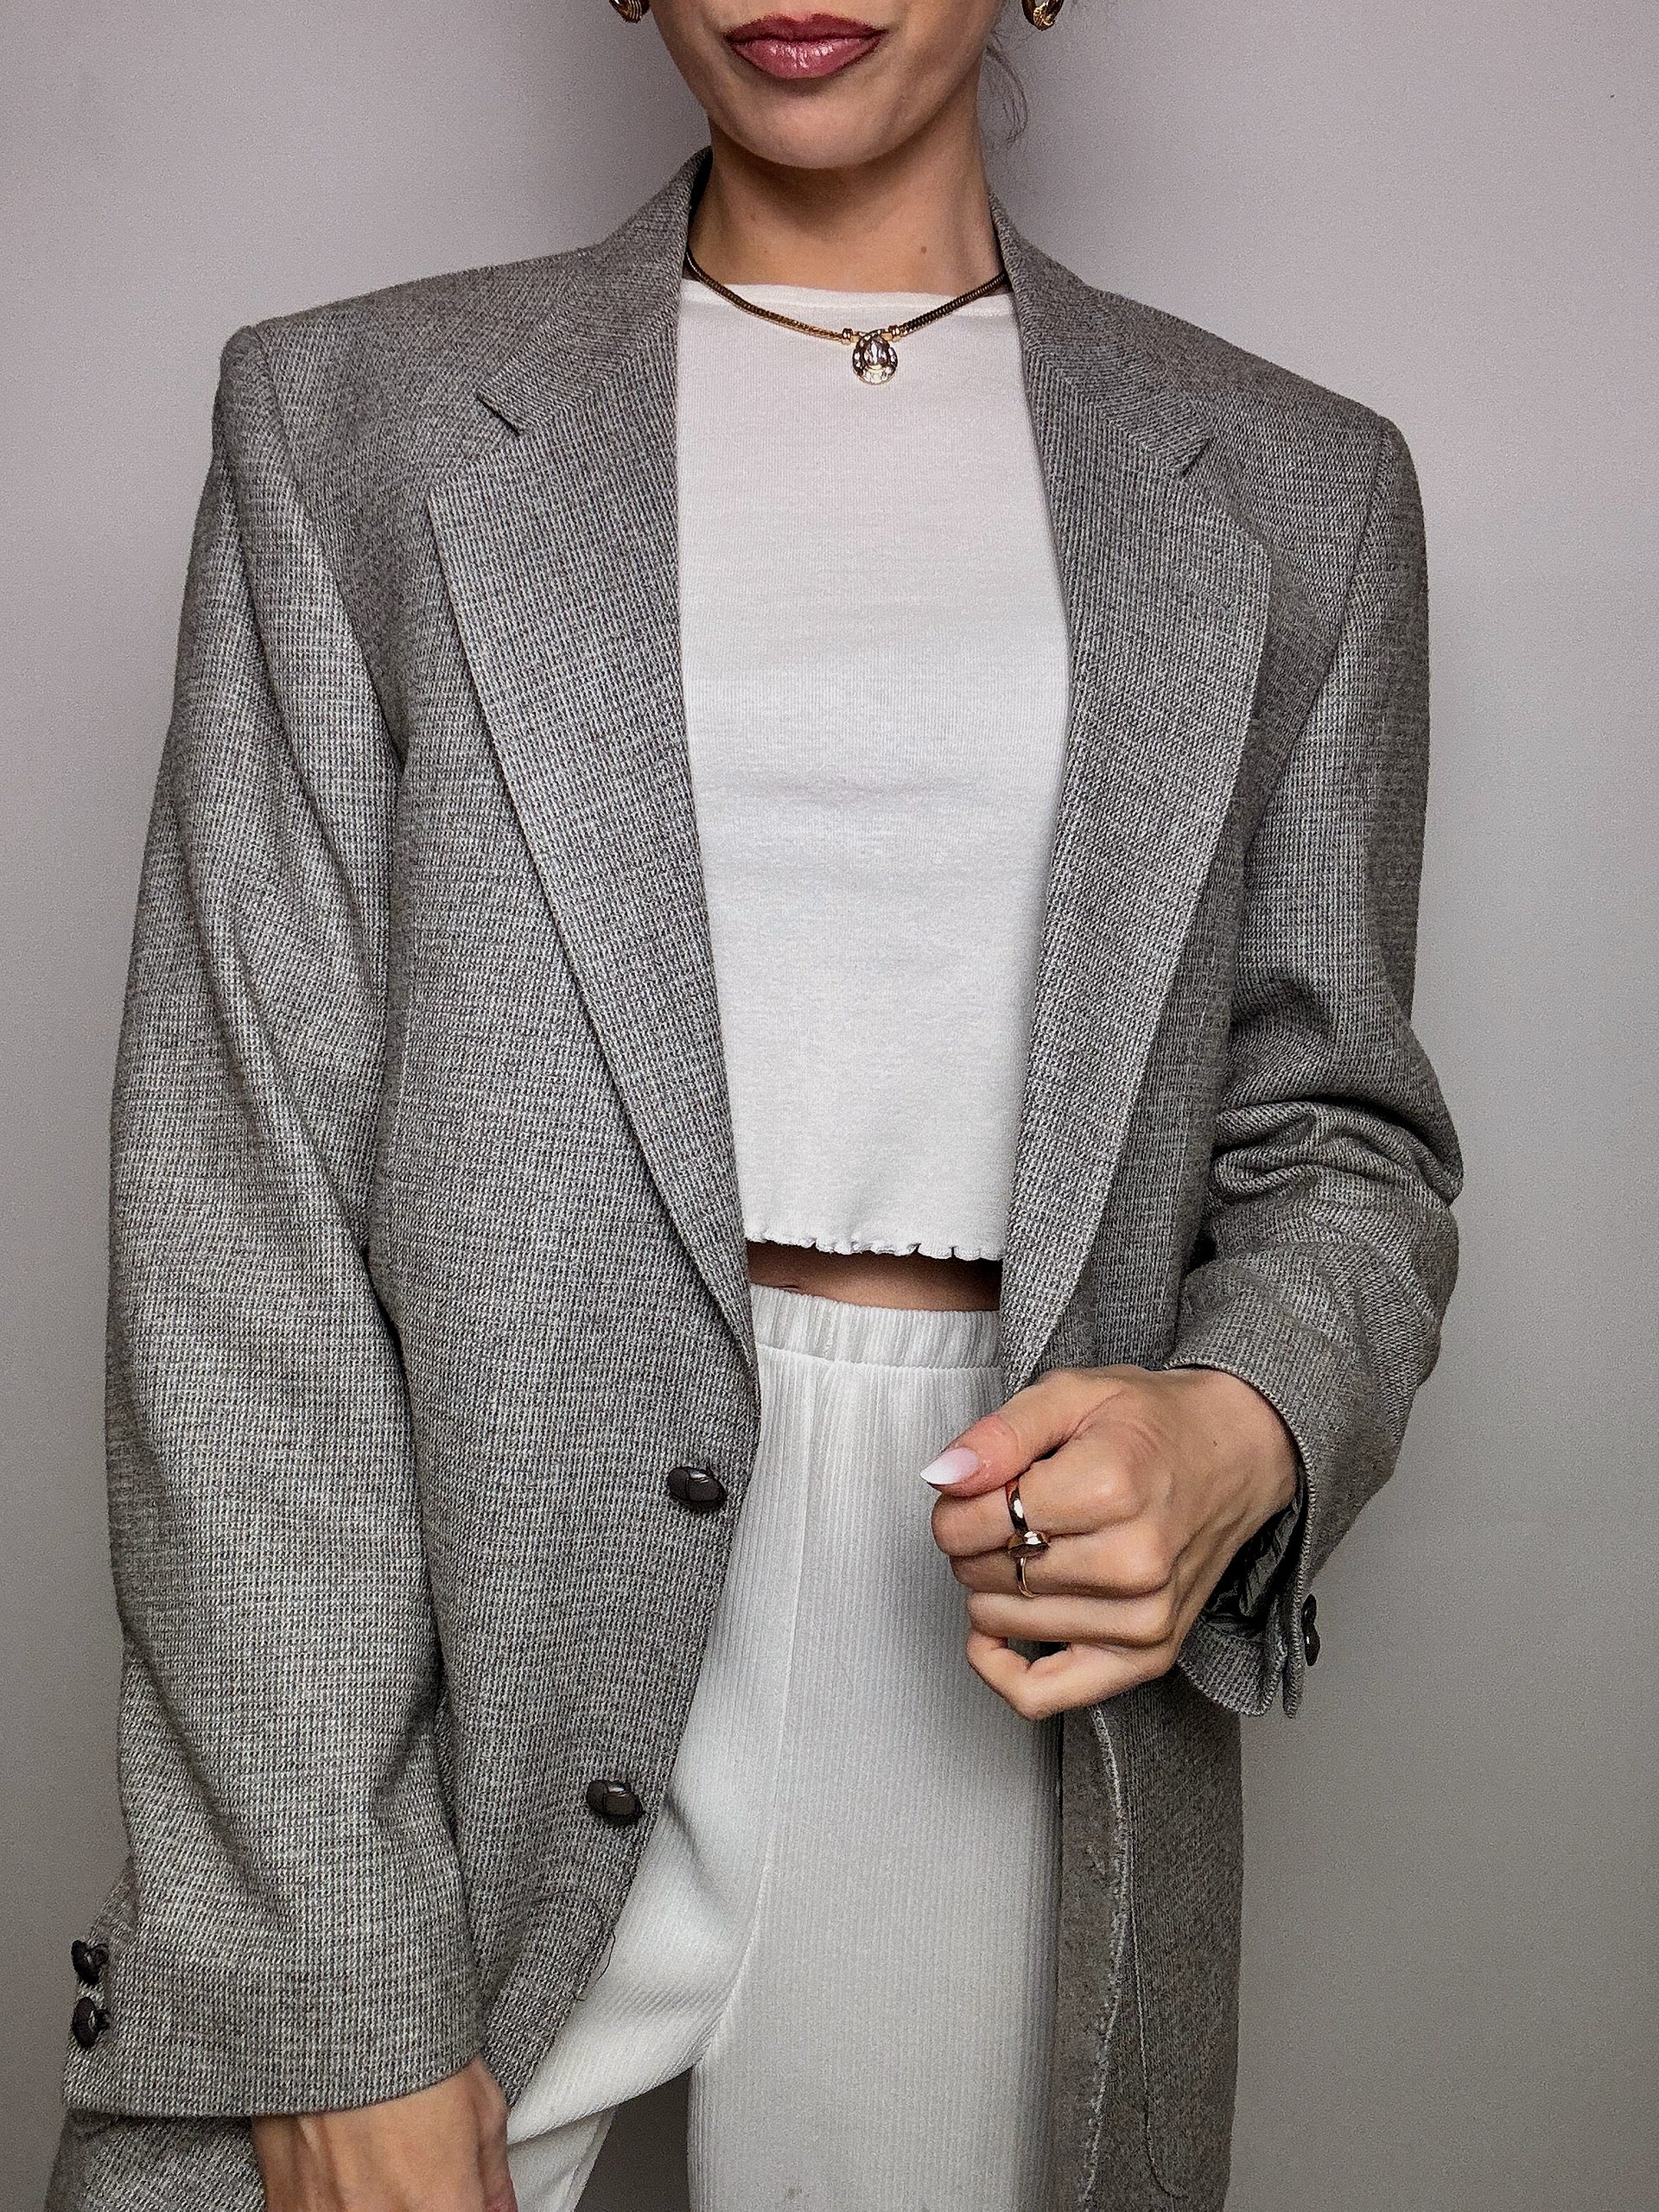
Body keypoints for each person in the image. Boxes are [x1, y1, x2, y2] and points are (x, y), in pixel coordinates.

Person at [48, 3, 1463, 2209]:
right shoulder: (353, 421)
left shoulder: (1297, 484)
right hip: (467, 1617)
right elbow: (241, 1215)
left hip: (1000, 1633)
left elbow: (1341, 1132)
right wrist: (322, 1978)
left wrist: (1244, 1420)